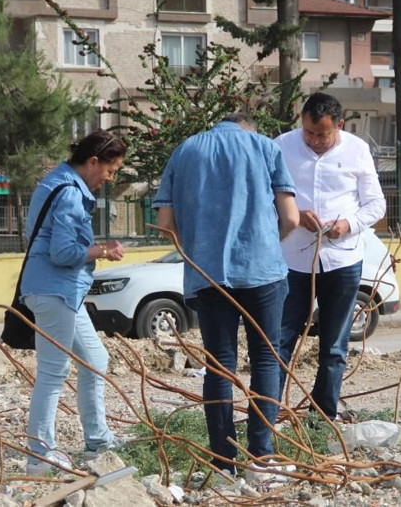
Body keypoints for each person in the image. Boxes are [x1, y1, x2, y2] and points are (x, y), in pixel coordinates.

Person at [153, 113, 299, 478]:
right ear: (248, 126)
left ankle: (223, 462)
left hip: (207, 275)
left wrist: (197, 251)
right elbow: (292, 218)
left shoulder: (184, 150)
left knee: (219, 364)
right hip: (262, 272)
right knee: (266, 360)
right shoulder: (265, 147)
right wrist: (265, 245)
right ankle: (261, 459)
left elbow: (164, 224)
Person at [21, 129, 127, 476]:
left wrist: (96, 248)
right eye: (109, 172)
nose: (108, 180)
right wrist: (103, 250)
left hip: (61, 291)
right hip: (55, 290)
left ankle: (98, 441)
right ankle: (40, 457)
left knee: (95, 358)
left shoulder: (58, 182)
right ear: (93, 161)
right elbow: (64, 252)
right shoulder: (69, 193)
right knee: (53, 373)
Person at [275, 92, 386, 421]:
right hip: (292, 259)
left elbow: (375, 204)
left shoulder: (358, 150)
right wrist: (294, 213)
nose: (315, 141)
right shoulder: (281, 145)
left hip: (342, 260)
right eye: (309, 132)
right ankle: (268, 412)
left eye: (323, 134)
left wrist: (348, 225)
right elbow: (266, 196)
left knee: (334, 345)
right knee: (280, 339)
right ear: (301, 121)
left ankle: (323, 416)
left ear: (339, 125)